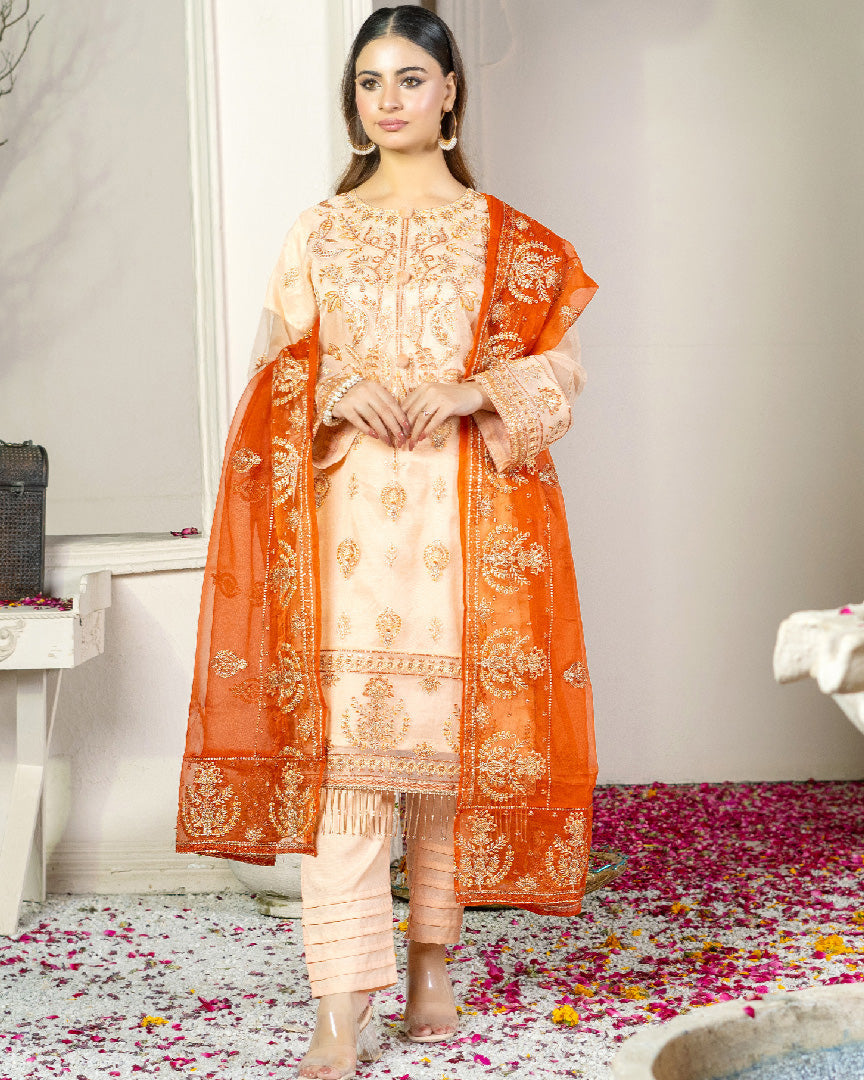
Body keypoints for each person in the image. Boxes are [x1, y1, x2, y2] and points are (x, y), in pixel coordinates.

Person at [176, 7, 598, 1079]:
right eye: (370, 82)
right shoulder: (318, 232)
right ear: (355, 104)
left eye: (412, 78)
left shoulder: (510, 238)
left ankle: (432, 975)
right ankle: (338, 1013)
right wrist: (335, 386)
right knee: (350, 767)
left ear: (451, 93)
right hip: (348, 526)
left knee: (442, 764)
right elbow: (272, 376)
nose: (390, 98)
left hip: (465, 523)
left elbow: (561, 376)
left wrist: (471, 387)